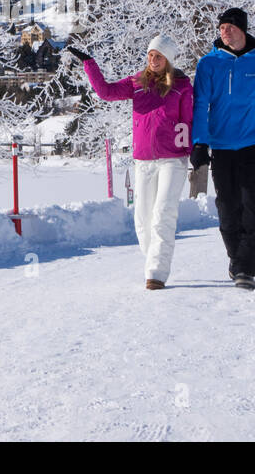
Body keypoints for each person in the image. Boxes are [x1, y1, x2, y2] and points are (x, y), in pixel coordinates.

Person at [67, 35, 193, 290]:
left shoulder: (182, 87)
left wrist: (195, 149)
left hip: (173, 159)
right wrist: (90, 63)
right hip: (144, 160)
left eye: (158, 55)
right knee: (142, 218)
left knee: (163, 213)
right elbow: (106, 92)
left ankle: (156, 273)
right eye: (150, 55)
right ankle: (153, 260)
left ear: (168, 58)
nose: (153, 60)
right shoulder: (137, 83)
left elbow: (189, 121)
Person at [190, 8, 255, 291]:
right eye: (222, 26)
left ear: (243, 29)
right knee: (226, 207)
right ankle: (237, 259)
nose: (225, 30)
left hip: (254, 145)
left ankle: (246, 266)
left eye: (230, 26)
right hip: (221, 147)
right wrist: (200, 142)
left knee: (252, 205)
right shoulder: (209, 64)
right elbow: (199, 106)